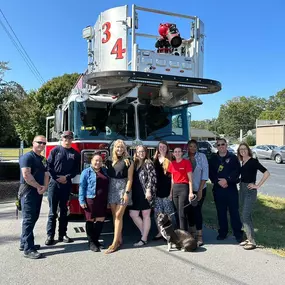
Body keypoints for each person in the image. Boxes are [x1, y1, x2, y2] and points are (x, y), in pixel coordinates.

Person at [45, 131, 80, 245]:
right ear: (62, 138)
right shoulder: (55, 150)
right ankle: (50, 236)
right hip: (54, 184)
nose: (67, 139)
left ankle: (62, 234)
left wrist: (67, 177)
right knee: (52, 212)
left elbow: (76, 170)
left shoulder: (75, 154)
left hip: (66, 183)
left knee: (64, 211)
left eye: (70, 138)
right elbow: (48, 166)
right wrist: (55, 177)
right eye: (65, 137)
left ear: (72, 139)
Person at [19, 135, 49, 259]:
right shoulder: (27, 157)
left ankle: (24, 242)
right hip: (28, 192)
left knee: (33, 217)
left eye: (44, 143)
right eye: (39, 142)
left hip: (38, 191)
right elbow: (26, 175)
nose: (42, 145)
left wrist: (45, 187)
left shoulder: (42, 159)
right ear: (33, 143)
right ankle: (28, 249)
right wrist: (38, 186)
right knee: (28, 219)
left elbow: (47, 173)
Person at [209, 138, 243, 242]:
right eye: (218, 145)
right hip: (218, 190)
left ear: (226, 145)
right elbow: (211, 173)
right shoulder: (213, 159)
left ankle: (238, 234)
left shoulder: (233, 158)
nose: (221, 146)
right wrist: (217, 181)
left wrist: (227, 180)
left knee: (234, 212)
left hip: (231, 189)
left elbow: (237, 172)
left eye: (222, 144)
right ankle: (223, 233)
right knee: (221, 212)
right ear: (216, 147)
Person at [237, 142, 270, 250]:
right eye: (241, 149)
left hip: (250, 190)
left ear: (248, 150)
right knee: (247, 215)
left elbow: (266, 173)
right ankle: (248, 238)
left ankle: (252, 242)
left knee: (245, 216)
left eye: (244, 149)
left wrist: (257, 185)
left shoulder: (253, 161)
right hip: (242, 189)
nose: (243, 151)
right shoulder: (242, 161)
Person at [105, 139, 134, 254]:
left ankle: (114, 243)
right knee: (114, 215)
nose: (119, 149)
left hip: (123, 189)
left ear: (125, 149)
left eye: (122, 147)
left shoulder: (129, 161)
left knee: (118, 215)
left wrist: (126, 193)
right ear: (114, 148)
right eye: (117, 147)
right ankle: (119, 238)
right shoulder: (109, 160)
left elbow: (130, 179)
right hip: (112, 188)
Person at [78, 152, 109, 252]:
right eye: (96, 160)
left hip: (102, 200)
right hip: (90, 199)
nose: (98, 162)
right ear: (91, 161)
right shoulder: (86, 172)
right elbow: (82, 187)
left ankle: (96, 241)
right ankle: (91, 242)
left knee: (100, 220)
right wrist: (81, 200)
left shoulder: (105, 171)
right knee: (90, 220)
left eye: (100, 161)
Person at [129, 145, 157, 246]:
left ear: (146, 153)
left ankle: (144, 238)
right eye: (139, 151)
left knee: (146, 215)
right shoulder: (135, 163)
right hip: (135, 193)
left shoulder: (148, 163)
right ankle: (144, 233)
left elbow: (152, 178)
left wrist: (149, 190)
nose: (141, 153)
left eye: (143, 151)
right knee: (133, 214)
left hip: (146, 193)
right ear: (136, 153)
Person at [187, 139, 209, 246]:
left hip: (200, 188)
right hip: (189, 189)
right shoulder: (184, 157)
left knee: (197, 211)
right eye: (190, 146)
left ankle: (200, 235)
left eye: (194, 146)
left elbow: (205, 173)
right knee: (190, 211)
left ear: (197, 147)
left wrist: (200, 190)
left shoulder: (202, 157)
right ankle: (191, 233)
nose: (192, 148)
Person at [152, 141, 175, 240]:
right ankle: (160, 232)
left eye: (164, 147)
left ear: (167, 148)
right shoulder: (154, 160)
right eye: (160, 147)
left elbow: (173, 178)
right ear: (158, 148)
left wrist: (171, 193)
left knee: (168, 213)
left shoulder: (171, 159)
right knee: (157, 213)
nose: (162, 148)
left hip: (167, 191)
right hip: (157, 191)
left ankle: (170, 232)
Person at [168, 146, 194, 231]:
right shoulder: (172, 164)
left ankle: (184, 233)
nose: (177, 153)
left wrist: (191, 192)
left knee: (182, 212)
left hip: (184, 187)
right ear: (173, 154)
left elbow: (190, 179)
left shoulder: (186, 163)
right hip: (175, 188)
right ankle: (178, 232)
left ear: (182, 153)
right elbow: (172, 179)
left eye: (179, 151)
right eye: (175, 152)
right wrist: (171, 193)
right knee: (176, 212)